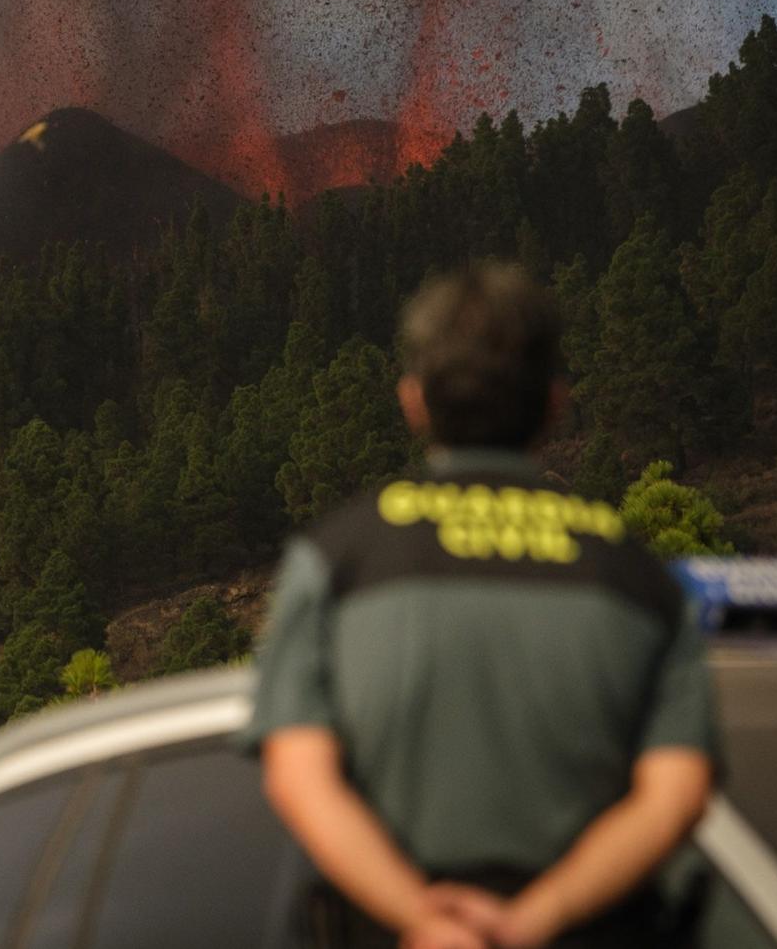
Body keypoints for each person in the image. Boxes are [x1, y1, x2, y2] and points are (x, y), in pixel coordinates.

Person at [248, 263, 718, 949]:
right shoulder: (638, 577)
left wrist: (424, 917)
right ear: (555, 402)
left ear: (414, 401)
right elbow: (677, 793)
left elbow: (298, 778)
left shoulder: (334, 561)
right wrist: (538, 916)